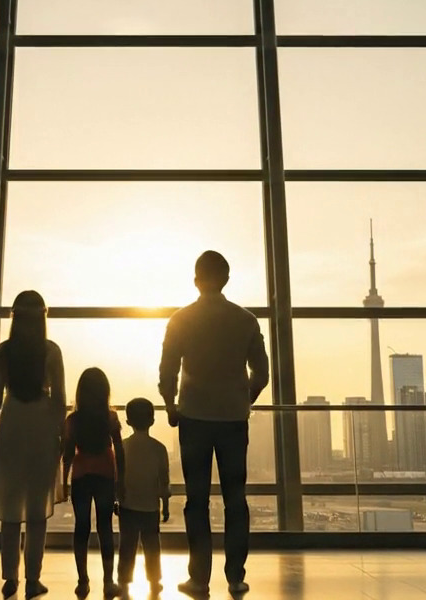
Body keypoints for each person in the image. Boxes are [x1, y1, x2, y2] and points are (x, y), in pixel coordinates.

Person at [159, 251, 268, 597]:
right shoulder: (246, 320)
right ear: (226, 279)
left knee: (196, 501)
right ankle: (235, 576)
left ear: (196, 280)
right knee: (236, 500)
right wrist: (242, 400)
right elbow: (262, 373)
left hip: (194, 418)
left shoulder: (180, 320)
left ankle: (199, 579)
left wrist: (170, 405)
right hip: (234, 421)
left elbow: (167, 371)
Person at [0, 290, 67, 599]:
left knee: (10, 507)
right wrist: (61, 433)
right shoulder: (51, 351)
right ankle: (33, 578)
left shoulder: (3, 352)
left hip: (11, 424)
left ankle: (10, 577)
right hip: (42, 426)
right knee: (36, 510)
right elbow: (60, 398)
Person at [62, 367, 125, 598]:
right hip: (106, 475)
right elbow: (119, 448)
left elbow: (68, 453)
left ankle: (83, 580)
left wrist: (64, 481)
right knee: (105, 528)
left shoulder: (73, 420)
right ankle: (109, 581)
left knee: (81, 527)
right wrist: (122, 479)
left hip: (80, 476)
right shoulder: (110, 417)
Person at [116, 397, 170, 597]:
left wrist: (117, 499)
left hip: (128, 506)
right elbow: (163, 481)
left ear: (128, 421)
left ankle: (123, 582)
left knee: (127, 546)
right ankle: (154, 581)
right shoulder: (159, 449)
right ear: (152, 420)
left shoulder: (122, 447)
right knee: (152, 546)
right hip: (150, 507)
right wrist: (165, 505)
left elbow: (117, 478)